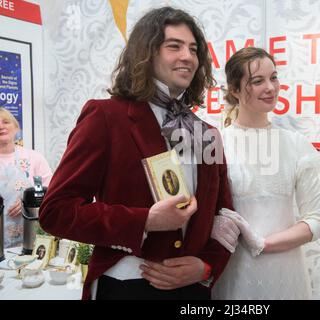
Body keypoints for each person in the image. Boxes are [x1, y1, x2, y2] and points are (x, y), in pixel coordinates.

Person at [39, 6, 233, 300]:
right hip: (127, 286)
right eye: (174, 46)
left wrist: (206, 265)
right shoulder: (105, 117)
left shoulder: (208, 133)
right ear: (147, 53)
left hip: (193, 289)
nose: (188, 57)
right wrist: (144, 221)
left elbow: (225, 213)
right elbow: (56, 212)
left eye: (193, 49)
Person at [211, 47, 320, 299]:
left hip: (286, 274)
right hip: (235, 274)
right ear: (234, 89)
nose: (270, 88)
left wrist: (264, 244)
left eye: (273, 77)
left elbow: (317, 220)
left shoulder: (295, 144)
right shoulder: (218, 144)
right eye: (257, 81)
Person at [0, 107, 52, 249]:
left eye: (6, 122)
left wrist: (27, 201)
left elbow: (47, 190)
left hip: (31, 237)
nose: (1, 126)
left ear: (16, 128)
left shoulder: (33, 158)